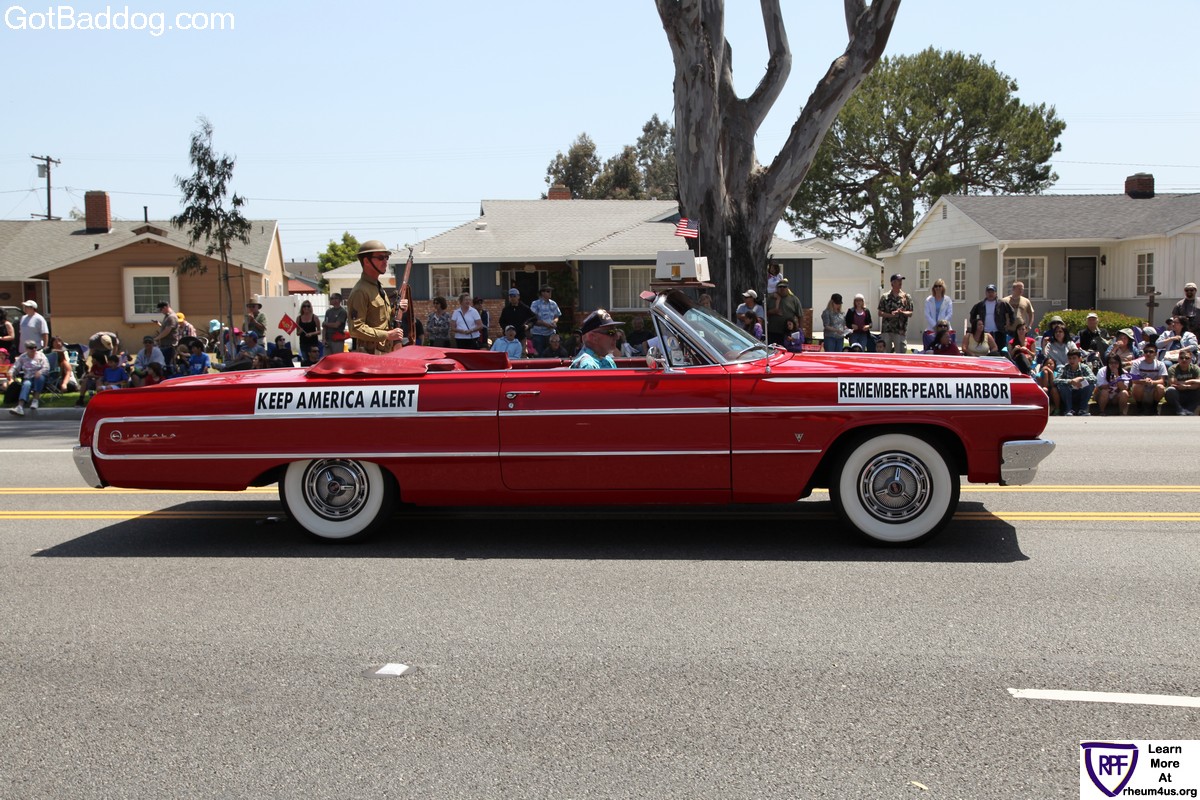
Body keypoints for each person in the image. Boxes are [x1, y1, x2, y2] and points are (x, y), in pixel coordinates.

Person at [347, 239, 407, 354]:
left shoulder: (377, 288)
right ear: (366, 261)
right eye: (380, 258)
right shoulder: (360, 291)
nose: (385, 261)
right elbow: (355, 329)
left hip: (384, 352)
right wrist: (387, 335)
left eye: (386, 257)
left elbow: (382, 320)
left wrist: (398, 309)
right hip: (370, 355)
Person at [8, 341, 49, 416]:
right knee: (26, 384)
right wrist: (11, 373)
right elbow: (15, 367)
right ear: (26, 349)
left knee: (39, 378)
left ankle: (35, 400)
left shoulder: (41, 355)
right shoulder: (23, 357)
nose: (34, 349)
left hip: (40, 376)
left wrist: (40, 372)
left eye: (35, 347)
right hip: (28, 377)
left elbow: (46, 367)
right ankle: (20, 406)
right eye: (31, 348)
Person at [877, 273, 913, 353]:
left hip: (900, 330)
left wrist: (902, 312)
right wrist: (891, 315)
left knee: (901, 352)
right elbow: (880, 313)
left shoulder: (906, 297)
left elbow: (910, 313)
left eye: (901, 281)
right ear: (892, 283)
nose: (900, 283)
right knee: (886, 353)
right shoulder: (885, 297)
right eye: (897, 281)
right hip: (887, 329)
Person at [1054, 345, 1095, 416]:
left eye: (1074, 358)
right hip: (1068, 393)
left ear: (1079, 359)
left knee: (1090, 385)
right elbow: (1056, 380)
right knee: (1063, 386)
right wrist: (1070, 381)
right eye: (1070, 358)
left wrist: (1081, 378)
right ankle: (1068, 410)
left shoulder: (1084, 367)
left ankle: (1082, 410)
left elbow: (1094, 378)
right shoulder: (1064, 368)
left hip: (1081, 392)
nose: (1072, 360)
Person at [1129, 341, 1168, 414]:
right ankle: (1139, 407)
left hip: (1153, 391)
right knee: (1137, 386)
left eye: (1151, 352)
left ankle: (1154, 407)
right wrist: (1144, 381)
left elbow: (1162, 380)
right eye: (1146, 352)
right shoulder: (1137, 364)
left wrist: (1152, 382)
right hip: (1141, 392)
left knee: (1161, 387)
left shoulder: (1160, 364)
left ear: (1155, 354)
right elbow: (1133, 380)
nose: (1148, 353)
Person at [767, 278, 803, 346]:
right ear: (777, 288)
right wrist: (773, 311)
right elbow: (764, 314)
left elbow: (800, 315)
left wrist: (800, 329)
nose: (782, 288)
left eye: (784, 287)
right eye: (780, 287)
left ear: (787, 288)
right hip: (773, 331)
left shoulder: (794, 299)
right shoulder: (770, 299)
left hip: (788, 333)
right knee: (772, 349)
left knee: (786, 350)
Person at [1164, 348, 1200, 416]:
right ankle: (1179, 410)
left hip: (1191, 392)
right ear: (1178, 359)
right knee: (1170, 390)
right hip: (1178, 392)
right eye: (1181, 358)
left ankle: (1190, 410)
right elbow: (1173, 382)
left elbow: (1199, 382)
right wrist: (1193, 382)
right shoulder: (1173, 368)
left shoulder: (1195, 368)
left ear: (1191, 359)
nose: (1184, 360)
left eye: (1187, 358)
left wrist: (1187, 385)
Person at [529, 285, 562, 354]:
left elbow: (556, 316)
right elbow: (532, 319)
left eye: (550, 291)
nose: (550, 293)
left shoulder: (553, 303)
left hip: (550, 333)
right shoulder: (535, 304)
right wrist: (545, 324)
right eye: (548, 291)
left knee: (551, 354)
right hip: (538, 334)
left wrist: (554, 322)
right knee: (539, 355)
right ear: (542, 293)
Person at [153, 301, 180, 375]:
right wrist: (159, 324)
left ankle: (170, 378)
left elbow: (167, 331)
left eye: (161, 309)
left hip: (169, 345)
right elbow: (165, 328)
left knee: (168, 365)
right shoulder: (167, 316)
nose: (160, 311)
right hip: (164, 345)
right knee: (164, 364)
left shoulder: (172, 317)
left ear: (165, 307)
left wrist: (157, 338)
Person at [923, 279, 952, 345]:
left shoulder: (948, 300)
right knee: (932, 347)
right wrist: (935, 326)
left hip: (944, 328)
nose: (937, 288)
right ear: (933, 288)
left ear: (943, 287)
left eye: (940, 286)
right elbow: (927, 314)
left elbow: (950, 314)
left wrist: (942, 325)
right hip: (932, 328)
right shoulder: (928, 300)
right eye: (936, 286)